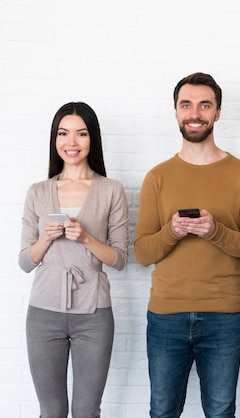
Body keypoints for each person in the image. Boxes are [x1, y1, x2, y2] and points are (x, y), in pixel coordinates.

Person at [134, 72, 240, 418]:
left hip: (223, 315)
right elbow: (143, 252)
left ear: (218, 112)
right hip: (166, 315)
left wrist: (215, 231)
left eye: (204, 105)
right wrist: (172, 232)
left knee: (220, 411)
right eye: (186, 105)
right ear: (176, 112)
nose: (195, 113)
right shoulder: (157, 177)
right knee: (162, 411)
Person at [18, 102, 129, 417]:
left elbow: (120, 259)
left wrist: (86, 238)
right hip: (42, 314)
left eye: (81, 134)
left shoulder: (111, 190)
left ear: (92, 139)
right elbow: (26, 262)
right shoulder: (38, 191)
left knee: (86, 411)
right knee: (51, 411)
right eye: (63, 133)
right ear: (55, 140)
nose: (72, 142)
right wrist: (47, 238)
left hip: (94, 314)